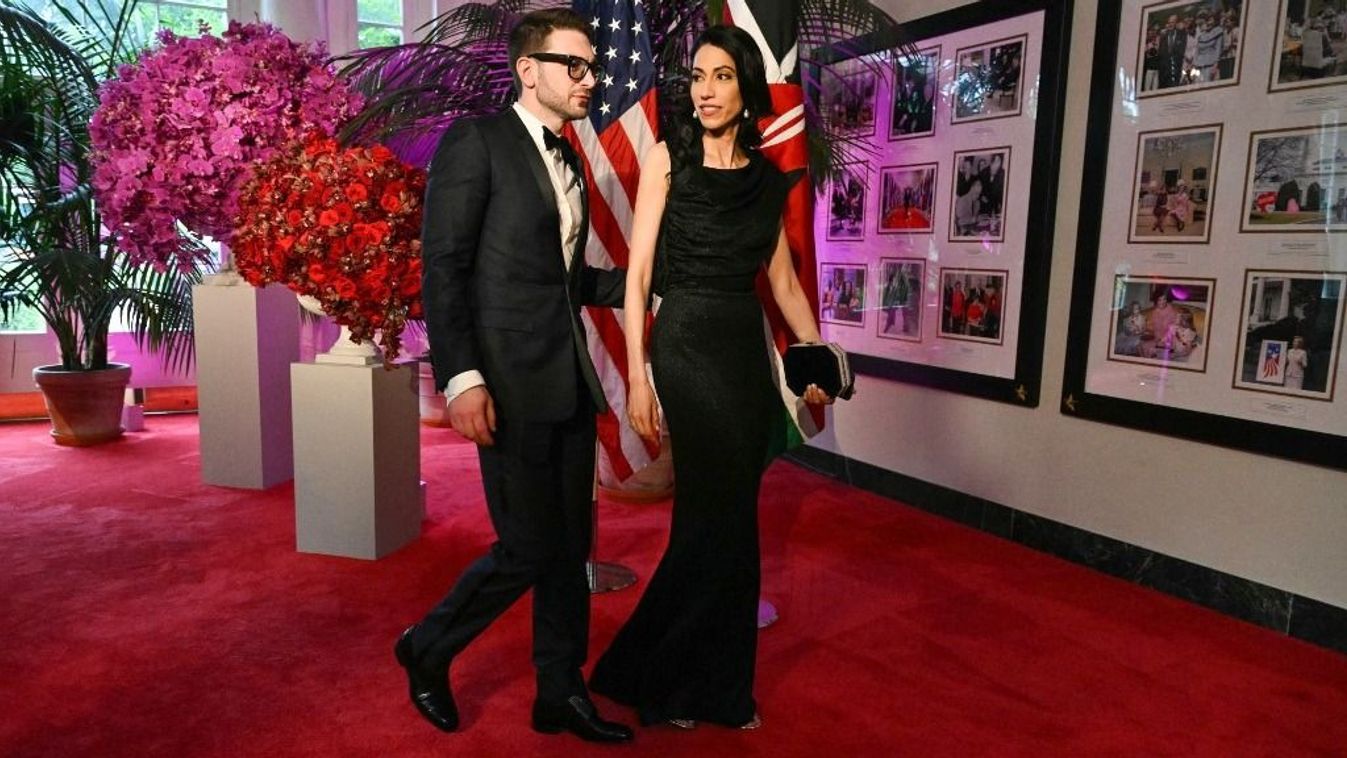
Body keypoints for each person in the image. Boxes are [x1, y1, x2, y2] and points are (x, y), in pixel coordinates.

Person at [588, 24, 833, 730]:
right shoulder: (670, 160)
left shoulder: (765, 179)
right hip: (687, 345)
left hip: (741, 354)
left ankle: (707, 685)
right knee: (711, 519)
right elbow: (636, 279)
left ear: (745, 87)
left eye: (721, 76)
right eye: (697, 76)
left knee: (730, 525)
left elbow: (783, 283)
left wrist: (813, 355)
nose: (705, 89)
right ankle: (673, 683)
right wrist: (638, 377)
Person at [397, 8, 633, 743]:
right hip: (503, 380)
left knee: (568, 550)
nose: (592, 79)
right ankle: (426, 647)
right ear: (528, 70)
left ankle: (559, 693)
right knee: (528, 546)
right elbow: (444, 270)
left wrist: (648, 279)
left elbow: (561, 282)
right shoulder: (478, 142)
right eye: (577, 66)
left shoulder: (570, 157)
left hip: (565, 379)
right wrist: (462, 378)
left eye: (593, 66)